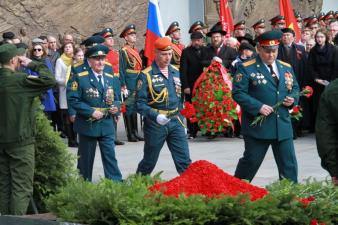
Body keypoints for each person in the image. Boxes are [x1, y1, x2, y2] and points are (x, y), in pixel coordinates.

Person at [232, 30, 300, 183]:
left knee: (288, 165)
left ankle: (290, 198)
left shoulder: (285, 67)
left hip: (282, 125)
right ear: (259, 49)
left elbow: (295, 88)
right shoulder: (246, 68)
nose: (271, 55)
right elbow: (238, 93)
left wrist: (293, 99)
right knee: (250, 163)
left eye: (274, 51)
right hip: (259, 126)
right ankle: (235, 192)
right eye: (267, 51)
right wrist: (258, 106)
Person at [0, 44, 56, 215]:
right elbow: (49, 80)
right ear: (13, 60)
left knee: (4, 185)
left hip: (2, 142)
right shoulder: (20, 80)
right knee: (21, 187)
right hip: (20, 142)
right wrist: (32, 64)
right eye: (18, 58)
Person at [135, 37, 192, 175]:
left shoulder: (175, 71)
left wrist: (181, 120)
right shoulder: (146, 75)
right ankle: (137, 187)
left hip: (175, 120)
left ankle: (192, 192)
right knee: (149, 161)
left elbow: (180, 98)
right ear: (156, 53)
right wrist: (155, 116)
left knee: (184, 161)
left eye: (169, 54)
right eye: (164, 54)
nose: (167, 58)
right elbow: (139, 104)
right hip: (156, 123)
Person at [66, 44, 122, 182]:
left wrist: (116, 107)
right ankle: (84, 184)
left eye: (103, 58)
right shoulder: (80, 75)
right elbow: (73, 99)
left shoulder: (109, 74)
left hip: (107, 123)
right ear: (89, 60)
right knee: (86, 159)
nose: (101, 62)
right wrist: (90, 112)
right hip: (88, 124)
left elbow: (116, 97)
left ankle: (115, 184)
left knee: (110, 156)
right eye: (97, 59)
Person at [277, 28, 308, 138]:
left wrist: (304, 83)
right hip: (282, 83)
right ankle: (287, 131)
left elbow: (304, 67)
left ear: (293, 37)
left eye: (288, 35)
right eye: (284, 35)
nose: (285, 37)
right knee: (284, 105)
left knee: (296, 106)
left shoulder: (300, 49)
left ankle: (297, 130)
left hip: (297, 82)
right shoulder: (277, 49)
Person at [308, 29, 338, 131]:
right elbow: (311, 67)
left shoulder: (333, 49)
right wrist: (317, 79)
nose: (319, 39)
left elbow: (335, 66)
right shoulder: (313, 51)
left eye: (321, 37)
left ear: (326, 38)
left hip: (331, 81)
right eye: (317, 37)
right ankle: (319, 128)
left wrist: (331, 81)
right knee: (318, 105)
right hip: (318, 83)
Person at [119, 24, 144, 142]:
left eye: (134, 34)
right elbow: (121, 69)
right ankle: (130, 134)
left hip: (137, 81)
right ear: (126, 37)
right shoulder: (123, 51)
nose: (134, 36)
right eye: (131, 35)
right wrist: (123, 85)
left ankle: (135, 132)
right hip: (129, 82)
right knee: (128, 107)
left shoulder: (135, 50)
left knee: (134, 107)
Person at [101, 28, 125, 145]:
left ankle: (114, 136)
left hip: (116, 81)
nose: (111, 40)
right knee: (108, 105)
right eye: (108, 38)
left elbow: (120, 69)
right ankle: (109, 135)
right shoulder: (102, 54)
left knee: (116, 107)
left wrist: (122, 84)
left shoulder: (116, 53)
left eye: (111, 38)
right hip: (108, 81)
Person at [180, 32, 205, 139]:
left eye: (198, 40)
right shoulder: (186, 52)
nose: (196, 42)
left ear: (202, 40)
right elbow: (183, 70)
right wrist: (185, 86)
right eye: (194, 40)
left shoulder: (206, 50)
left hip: (204, 85)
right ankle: (192, 130)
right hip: (190, 84)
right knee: (191, 107)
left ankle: (204, 129)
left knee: (203, 106)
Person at [315, 79, 338, 186]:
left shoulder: (333, 90)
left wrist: (333, 168)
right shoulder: (333, 91)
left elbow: (325, 133)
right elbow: (326, 132)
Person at [55, 42, 78, 147]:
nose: (68, 48)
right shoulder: (60, 61)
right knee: (68, 117)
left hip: (75, 91)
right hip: (65, 91)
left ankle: (75, 138)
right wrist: (67, 81)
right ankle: (71, 140)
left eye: (70, 47)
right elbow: (57, 78)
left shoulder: (75, 60)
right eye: (66, 47)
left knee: (75, 115)